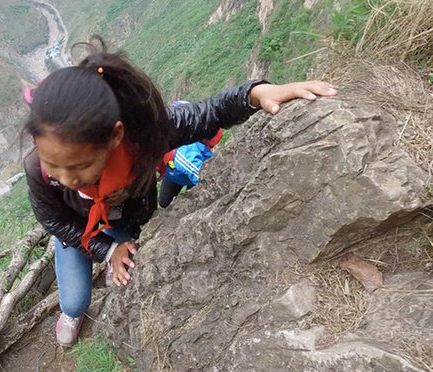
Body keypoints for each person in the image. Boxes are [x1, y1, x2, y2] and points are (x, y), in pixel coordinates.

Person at [22, 40, 337, 347]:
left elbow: (209, 113)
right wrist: (107, 250)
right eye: (54, 165)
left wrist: (256, 93)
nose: (66, 179)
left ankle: (116, 257)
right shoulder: (38, 168)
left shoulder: (145, 136)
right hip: (77, 227)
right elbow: (52, 218)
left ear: (115, 136)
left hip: (131, 217)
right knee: (75, 302)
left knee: (130, 263)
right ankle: (75, 307)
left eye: (81, 165)